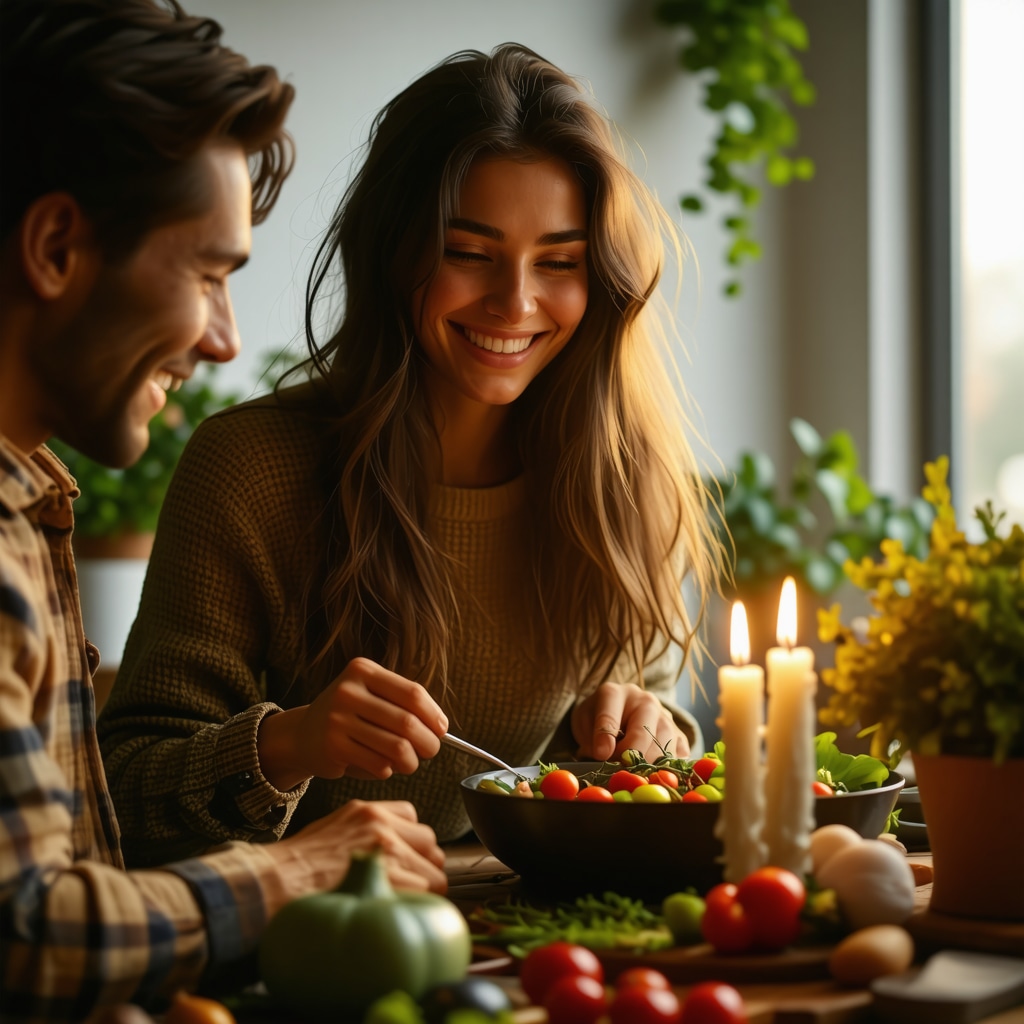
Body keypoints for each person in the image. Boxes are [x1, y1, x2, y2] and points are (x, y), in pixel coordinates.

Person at [98, 43, 725, 864]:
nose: (516, 301)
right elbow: (123, 793)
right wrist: (289, 745)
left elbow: (641, 737)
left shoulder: (625, 483)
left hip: (516, 952)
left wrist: (654, 735)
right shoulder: (250, 470)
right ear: (394, 254)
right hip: (295, 956)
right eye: (470, 253)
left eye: (561, 263)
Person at [0, 1, 447, 1019]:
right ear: (58, 245)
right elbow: (23, 936)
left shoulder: (28, 511)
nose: (224, 343)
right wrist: (292, 871)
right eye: (208, 274)